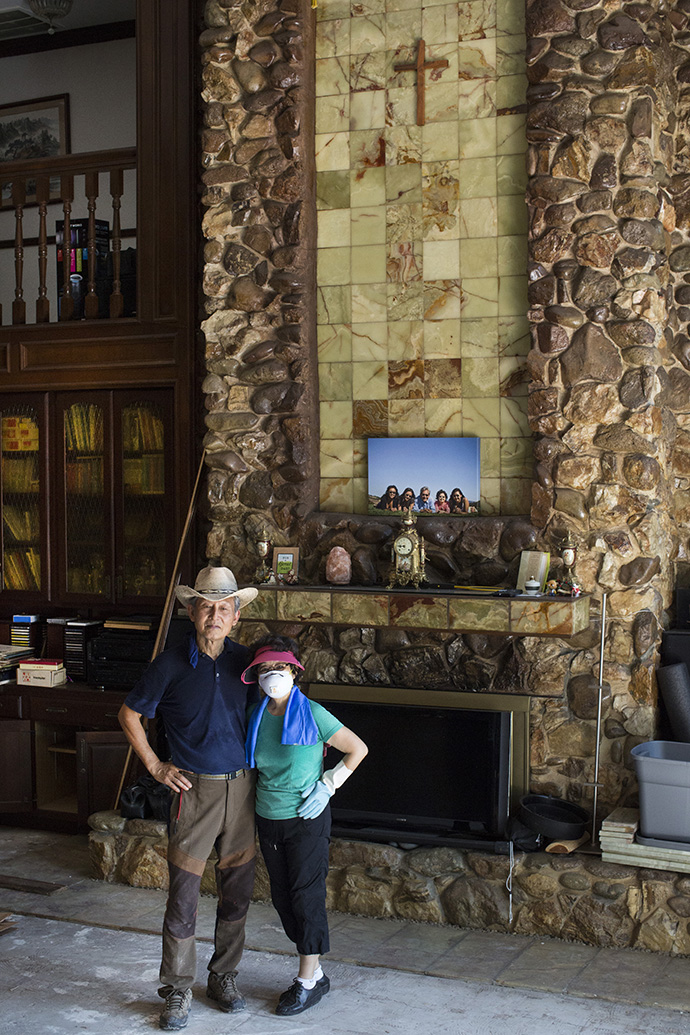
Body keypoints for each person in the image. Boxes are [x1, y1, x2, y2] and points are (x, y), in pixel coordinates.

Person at [118, 566, 260, 1032]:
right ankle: (178, 990)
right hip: (192, 792)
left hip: (241, 791)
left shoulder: (249, 664)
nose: (214, 615)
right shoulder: (170, 663)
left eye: (224, 608)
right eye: (206, 606)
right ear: (191, 611)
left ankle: (223, 978)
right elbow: (130, 713)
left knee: (237, 894)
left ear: (236, 616)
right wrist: (156, 766)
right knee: (183, 898)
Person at [242, 634, 368, 1017]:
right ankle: (314, 965)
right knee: (282, 898)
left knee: (305, 895)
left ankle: (308, 981)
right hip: (268, 817)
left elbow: (357, 749)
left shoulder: (313, 713)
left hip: (306, 819)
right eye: (264, 670)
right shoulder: (256, 716)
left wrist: (328, 785)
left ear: (295, 671)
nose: (272, 676)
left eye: (279, 668)